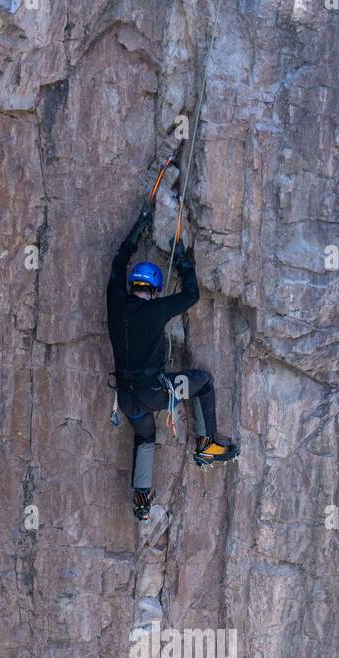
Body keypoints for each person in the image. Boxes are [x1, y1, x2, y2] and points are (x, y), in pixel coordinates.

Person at [106, 204, 238, 522]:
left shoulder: (114, 301)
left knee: (144, 435)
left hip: (125, 397)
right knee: (203, 381)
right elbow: (191, 295)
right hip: (155, 391)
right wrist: (183, 263)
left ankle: (142, 500)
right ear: (153, 290)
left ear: (133, 286)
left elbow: (117, 264)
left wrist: (135, 233)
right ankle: (207, 445)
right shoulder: (157, 310)